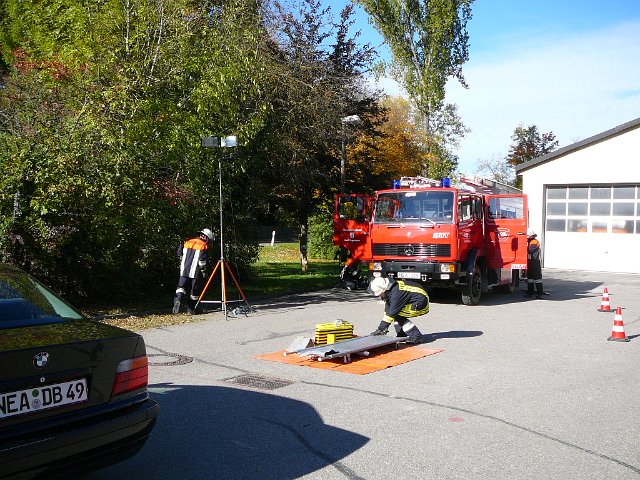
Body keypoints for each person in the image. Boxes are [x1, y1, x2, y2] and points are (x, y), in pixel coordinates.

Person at [368, 277, 429, 344]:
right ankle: (402, 335)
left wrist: (381, 329)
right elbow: (388, 309)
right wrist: (383, 327)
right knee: (395, 314)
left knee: (397, 315)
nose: (379, 295)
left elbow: (392, 312)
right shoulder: (391, 289)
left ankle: (417, 337)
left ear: (384, 290)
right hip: (415, 300)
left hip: (421, 304)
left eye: (380, 294)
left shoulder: (396, 294)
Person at [173, 228, 214, 314]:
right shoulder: (203, 245)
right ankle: (190, 309)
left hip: (184, 270)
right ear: (206, 237)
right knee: (194, 291)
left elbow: (179, 253)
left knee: (181, 287)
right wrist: (204, 272)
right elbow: (202, 262)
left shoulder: (188, 241)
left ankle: (177, 300)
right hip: (196, 272)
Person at [526, 229, 544, 299]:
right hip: (531, 262)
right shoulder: (530, 241)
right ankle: (530, 293)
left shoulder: (534, 242)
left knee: (537, 279)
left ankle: (540, 294)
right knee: (530, 279)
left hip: (535, 262)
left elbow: (530, 250)